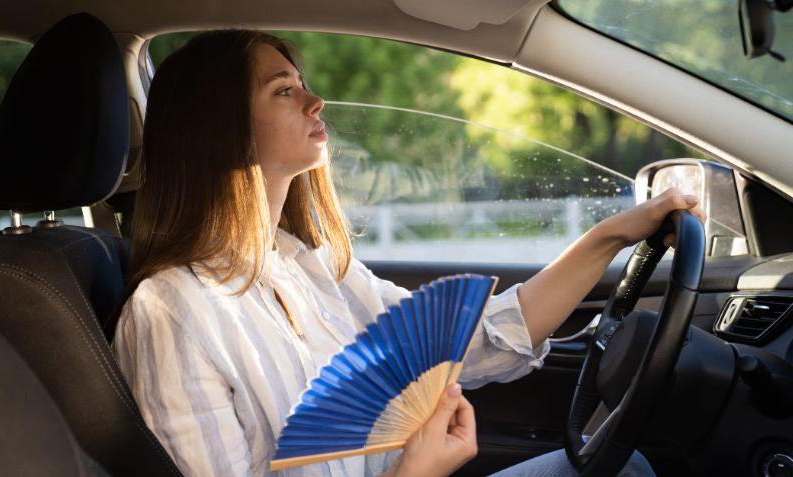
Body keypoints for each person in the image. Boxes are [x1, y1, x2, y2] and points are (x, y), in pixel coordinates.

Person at [112, 30, 703, 477]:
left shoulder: (310, 266)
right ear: (220, 129)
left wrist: (615, 234)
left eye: (303, 83)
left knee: (621, 466)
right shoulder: (170, 312)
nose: (316, 102)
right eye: (285, 90)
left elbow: (477, 339)